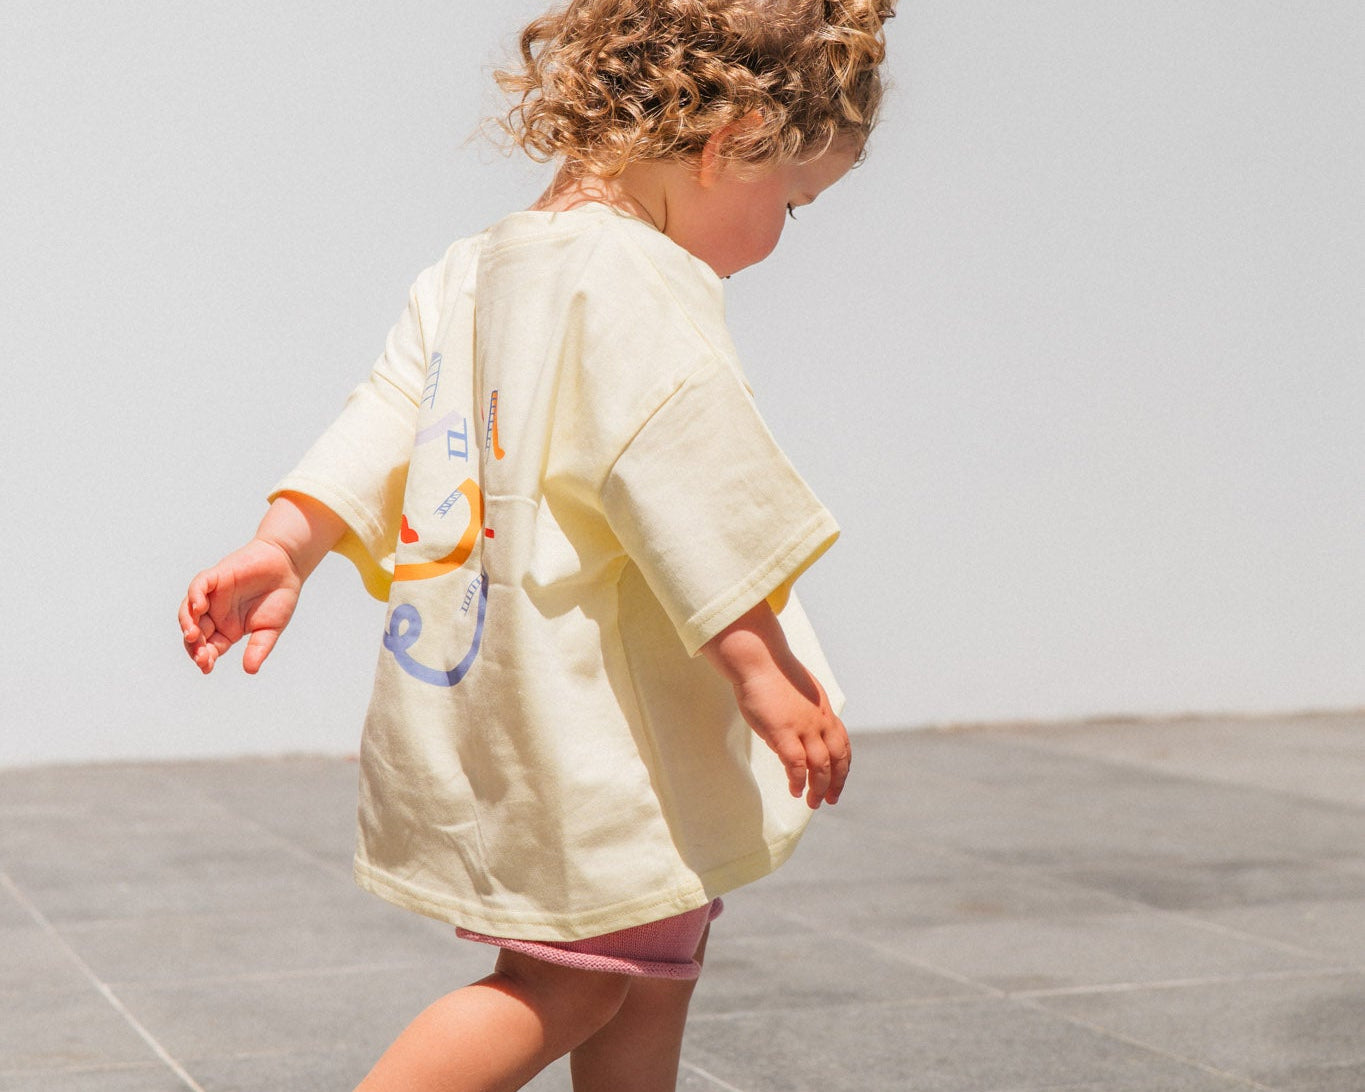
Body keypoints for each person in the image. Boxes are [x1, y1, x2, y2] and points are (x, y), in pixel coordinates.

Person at [178, 1, 892, 1088]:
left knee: (647, 968)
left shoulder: (478, 266)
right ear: (728, 142)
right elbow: (683, 475)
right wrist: (763, 667)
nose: (782, 236)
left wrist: (289, 541)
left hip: (516, 699)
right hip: (603, 721)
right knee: (573, 981)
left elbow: (388, 413)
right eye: (793, 203)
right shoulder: (635, 281)